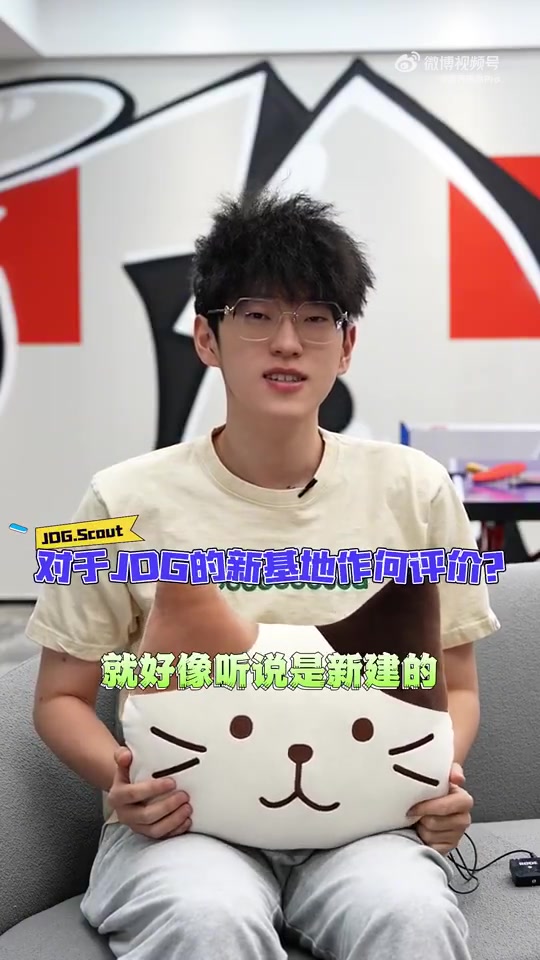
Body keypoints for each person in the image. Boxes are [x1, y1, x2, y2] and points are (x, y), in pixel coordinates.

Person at [28, 190, 500, 960]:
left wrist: (436, 773)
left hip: (365, 827)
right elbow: (59, 698)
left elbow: (457, 683)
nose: (287, 343)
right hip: (186, 830)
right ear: (206, 337)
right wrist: (122, 781)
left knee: (408, 916)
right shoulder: (115, 500)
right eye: (255, 315)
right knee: (205, 919)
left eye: (316, 317)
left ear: (347, 345)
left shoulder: (418, 489)